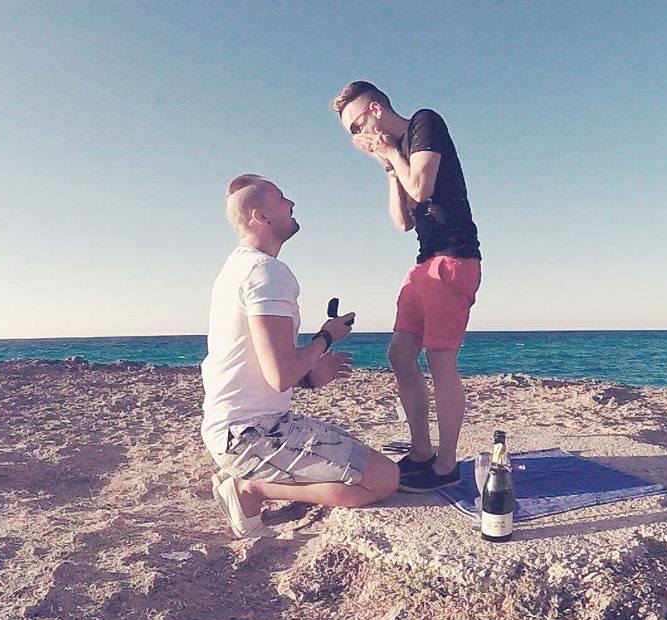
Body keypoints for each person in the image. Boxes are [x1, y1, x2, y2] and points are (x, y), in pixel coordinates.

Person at [200, 173, 400, 538]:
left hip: (235, 428)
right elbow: (280, 375)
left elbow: (259, 365)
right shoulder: (266, 272)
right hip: (251, 434)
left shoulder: (236, 267)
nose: (291, 203)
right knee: (384, 479)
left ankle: (243, 478)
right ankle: (248, 488)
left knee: (366, 463)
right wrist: (326, 337)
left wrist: (310, 377)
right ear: (261, 217)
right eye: (281, 199)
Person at [331, 81, 482, 492]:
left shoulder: (424, 123)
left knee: (440, 360)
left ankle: (446, 465)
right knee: (399, 353)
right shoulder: (398, 152)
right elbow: (401, 221)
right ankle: (420, 451)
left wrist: (391, 153)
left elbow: (422, 188)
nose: (356, 136)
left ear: (375, 110)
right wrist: (386, 164)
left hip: (454, 259)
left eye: (356, 125)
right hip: (424, 264)